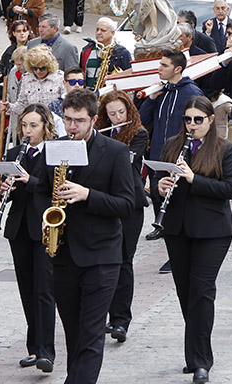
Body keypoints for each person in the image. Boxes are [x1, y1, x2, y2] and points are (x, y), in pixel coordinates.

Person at [39, 89, 134, 383]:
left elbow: (127, 204)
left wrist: (88, 195)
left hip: (101, 255)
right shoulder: (54, 147)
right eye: (67, 119)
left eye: (78, 121)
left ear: (94, 119)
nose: (71, 127)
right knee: (74, 333)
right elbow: (43, 189)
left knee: (92, 333)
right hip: (64, 254)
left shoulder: (115, 152)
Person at [153, 96, 232, 383]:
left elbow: (229, 188)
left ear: (210, 120)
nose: (192, 125)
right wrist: (161, 186)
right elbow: (157, 183)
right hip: (178, 229)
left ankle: (202, 361)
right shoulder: (173, 145)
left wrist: (192, 179)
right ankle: (195, 353)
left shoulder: (225, 149)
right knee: (185, 292)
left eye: (198, 120)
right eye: (187, 120)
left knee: (202, 292)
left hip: (212, 230)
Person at [0, 104, 58, 373]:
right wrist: (5, 190)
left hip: (45, 226)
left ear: (45, 125)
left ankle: (47, 351)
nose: (28, 131)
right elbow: (10, 195)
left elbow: (52, 189)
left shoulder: (55, 153)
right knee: (27, 290)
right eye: (24, 125)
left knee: (44, 290)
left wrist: (28, 180)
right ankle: (33, 348)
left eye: (34, 125)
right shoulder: (14, 153)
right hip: (19, 228)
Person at [91, 91, 148, 345]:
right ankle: (106, 315)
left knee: (124, 260)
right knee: (105, 261)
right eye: (111, 113)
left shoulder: (138, 133)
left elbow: (127, 162)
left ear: (129, 112)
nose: (116, 118)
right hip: (105, 201)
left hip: (130, 203)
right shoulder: (100, 134)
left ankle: (121, 319)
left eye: (120, 113)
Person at [139, 49, 204, 241]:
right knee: (157, 189)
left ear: (177, 69)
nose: (159, 68)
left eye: (164, 65)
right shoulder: (160, 91)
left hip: (180, 154)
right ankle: (161, 224)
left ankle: (175, 228)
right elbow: (142, 120)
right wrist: (151, 99)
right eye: (160, 64)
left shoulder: (191, 92)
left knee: (177, 194)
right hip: (157, 151)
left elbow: (199, 125)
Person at [7, 46, 68, 120]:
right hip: (34, 123)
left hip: (55, 123)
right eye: (34, 68)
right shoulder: (27, 78)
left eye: (42, 68)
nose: (38, 71)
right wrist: (9, 107)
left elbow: (66, 104)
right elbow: (22, 105)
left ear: (49, 66)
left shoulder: (60, 77)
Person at [78, 17, 133, 90]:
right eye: (97, 29)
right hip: (87, 95)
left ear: (112, 33)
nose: (98, 32)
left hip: (109, 95)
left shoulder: (122, 52)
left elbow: (130, 73)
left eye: (103, 30)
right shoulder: (86, 50)